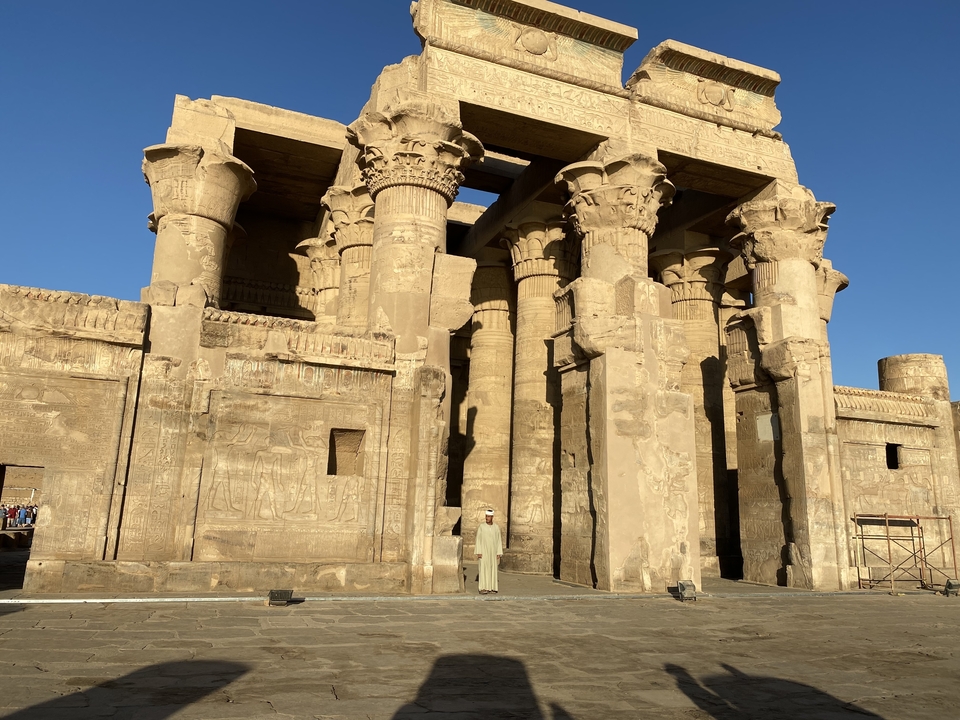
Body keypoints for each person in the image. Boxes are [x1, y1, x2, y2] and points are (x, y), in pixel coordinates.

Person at [474, 508, 503, 595]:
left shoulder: (496, 527)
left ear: (492, 517)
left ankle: (492, 587)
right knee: (483, 569)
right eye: (486, 516)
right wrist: (479, 551)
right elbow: (478, 539)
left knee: (493, 569)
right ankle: (483, 588)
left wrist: (498, 552)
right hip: (483, 551)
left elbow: (498, 540)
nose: (487, 518)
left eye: (489, 517)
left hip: (493, 552)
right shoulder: (481, 527)